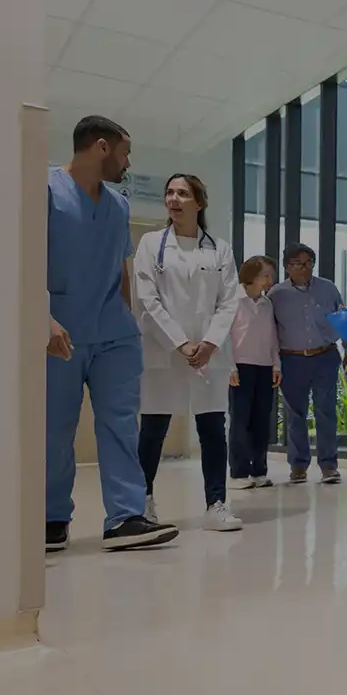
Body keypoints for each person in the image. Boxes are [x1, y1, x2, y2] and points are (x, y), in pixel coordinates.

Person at [46, 116, 179, 552]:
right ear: (101, 148)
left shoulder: (119, 204)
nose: (127, 163)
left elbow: (121, 269)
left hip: (115, 334)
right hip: (59, 331)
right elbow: (21, 257)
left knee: (122, 425)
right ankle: (51, 517)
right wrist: (40, 317)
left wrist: (128, 322)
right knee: (55, 428)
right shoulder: (45, 190)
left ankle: (125, 517)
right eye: (124, 152)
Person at [133, 173, 243, 532]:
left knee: (212, 428)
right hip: (165, 351)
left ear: (199, 202)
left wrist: (210, 343)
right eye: (169, 192)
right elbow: (147, 299)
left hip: (209, 352)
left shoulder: (219, 249)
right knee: (153, 428)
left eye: (182, 193)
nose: (173, 199)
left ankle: (216, 503)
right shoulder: (151, 244)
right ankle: (143, 503)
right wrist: (181, 342)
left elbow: (229, 301)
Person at [270, 244, 347, 484]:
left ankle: (329, 466)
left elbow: (343, 319)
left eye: (308, 263)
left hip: (325, 356)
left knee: (326, 410)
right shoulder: (276, 294)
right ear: (287, 266)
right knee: (295, 413)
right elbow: (269, 331)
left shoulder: (328, 289)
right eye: (298, 263)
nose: (304, 268)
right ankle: (298, 466)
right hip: (291, 359)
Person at [228, 256, 282, 490]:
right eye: (266, 275)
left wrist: (276, 364)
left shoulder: (267, 303)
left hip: (264, 367)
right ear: (251, 276)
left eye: (271, 275)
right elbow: (224, 337)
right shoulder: (232, 300)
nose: (270, 280)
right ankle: (239, 473)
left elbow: (272, 338)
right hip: (240, 366)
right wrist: (229, 366)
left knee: (262, 421)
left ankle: (259, 470)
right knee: (240, 421)